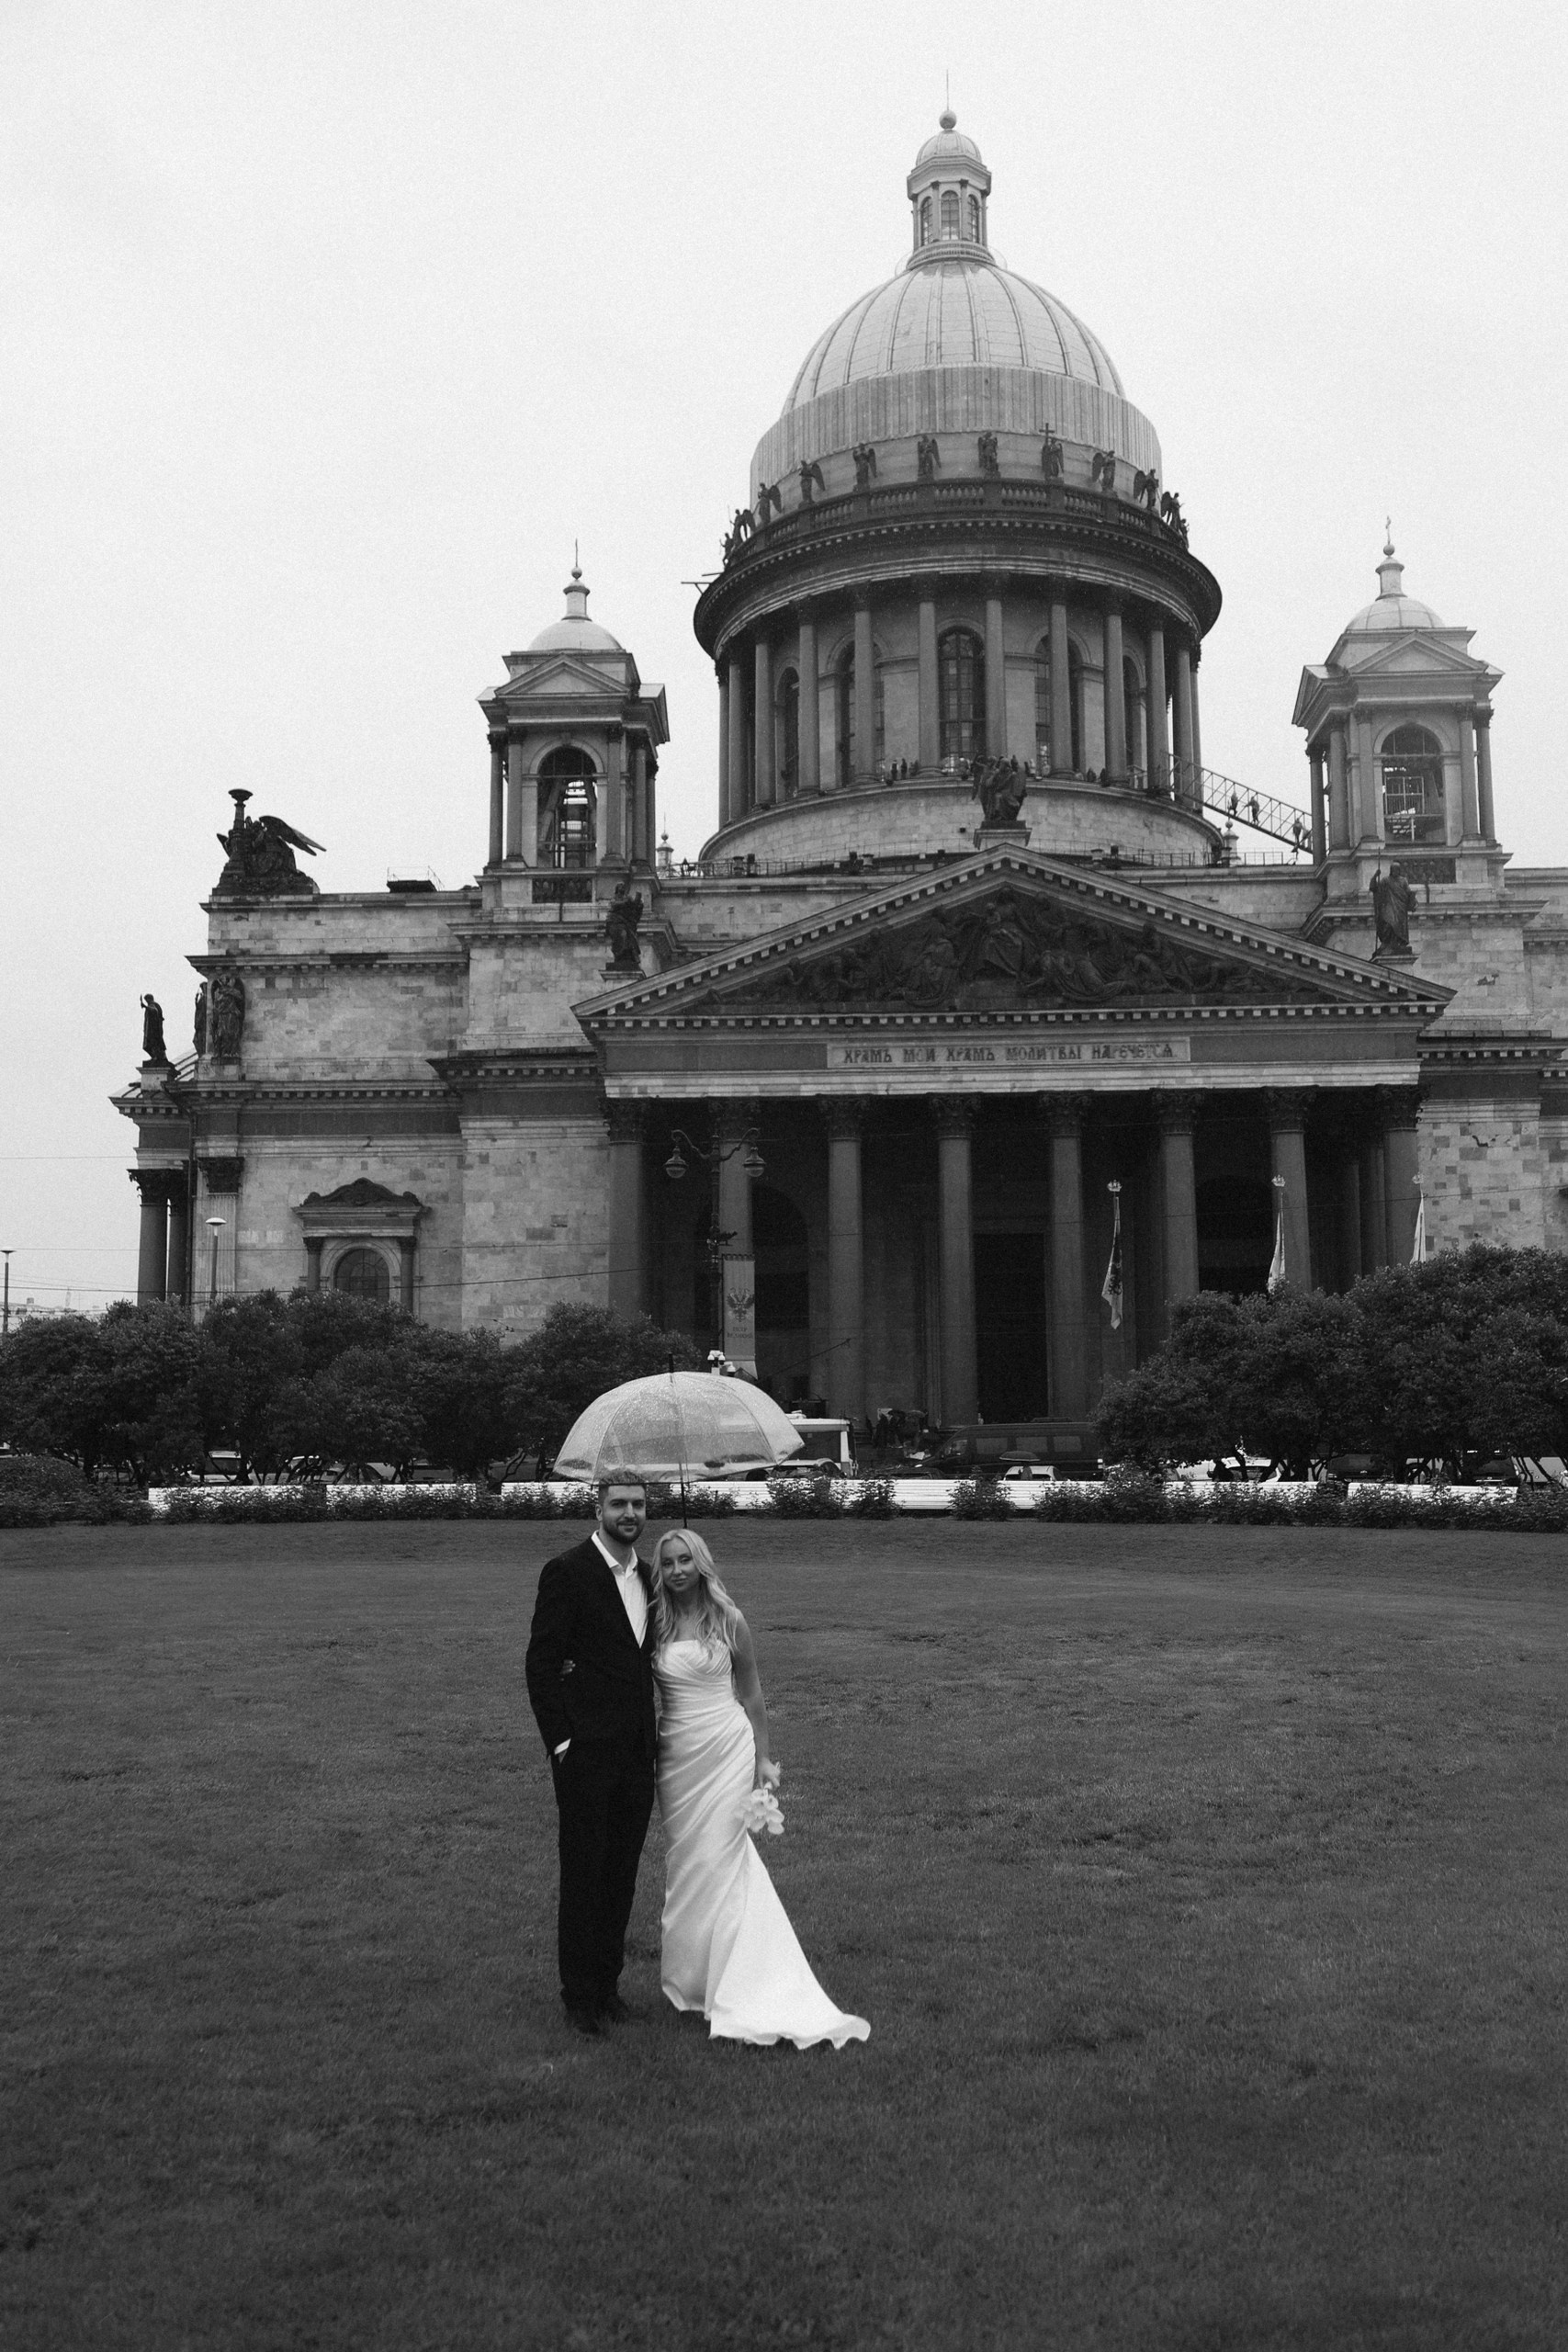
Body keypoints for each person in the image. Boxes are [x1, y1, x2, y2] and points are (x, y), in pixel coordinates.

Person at [649, 1529, 869, 2049]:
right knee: (687, 1865)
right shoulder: (654, 1622)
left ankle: (741, 1979)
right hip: (676, 1757)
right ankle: (693, 1980)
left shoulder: (729, 1619)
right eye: (669, 1562)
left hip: (726, 1748)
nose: (677, 1570)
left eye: (686, 1560)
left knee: (721, 1859)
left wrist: (763, 1758)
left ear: (701, 1564)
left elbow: (751, 1695)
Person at [525, 1475, 658, 2039]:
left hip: (637, 1752)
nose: (629, 1513)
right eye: (618, 1504)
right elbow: (541, 1663)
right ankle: (579, 1997)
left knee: (621, 1874)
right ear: (598, 1509)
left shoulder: (649, 1577)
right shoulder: (567, 1571)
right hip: (584, 1753)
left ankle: (608, 1987)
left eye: (638, 1504)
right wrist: (561, 1741)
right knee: (584, 1872)